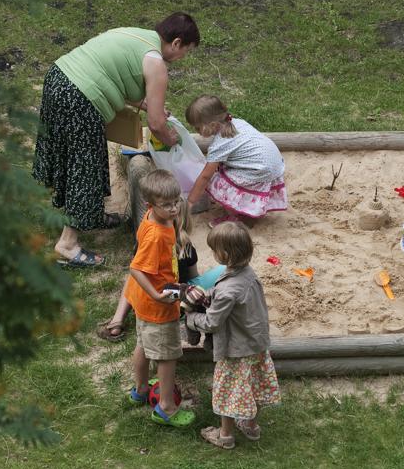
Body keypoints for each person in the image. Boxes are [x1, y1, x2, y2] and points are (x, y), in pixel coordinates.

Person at [33, 12, 200, 268]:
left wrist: (145, 104)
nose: (182, 58)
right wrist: (172, 139)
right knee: (84, 165)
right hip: (80, 98)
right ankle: (67, 245)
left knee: (76, 152)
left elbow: (114, 75)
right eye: (185, 51)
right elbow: (156, 125)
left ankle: (90, 214)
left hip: (58, 79)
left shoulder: (133, 34)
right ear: (176, 42)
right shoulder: (157, 64)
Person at [186, 222, 281, 449]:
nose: (212, 253)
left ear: (225, 254)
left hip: (235, 350)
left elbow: (212, 322)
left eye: (214, 250)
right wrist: (209, 296)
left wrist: (190, 319)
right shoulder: (247, 273)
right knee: (251, 384)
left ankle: (225, 435)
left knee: (228, 390)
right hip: (256, 342)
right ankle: (250, 426)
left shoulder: (229, 290)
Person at [95, 198, 226, 343]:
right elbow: (192, 276)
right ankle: (190, 307)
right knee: (223, 269)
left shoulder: (152, 238)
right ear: (186, 220)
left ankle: (117, 320)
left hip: (151, 296)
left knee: (135, 274)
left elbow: (139, 268)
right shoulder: (186, 246)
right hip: (177, 298)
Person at [125, 170, 198, 427]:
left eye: (176, 201)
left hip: (143, 303)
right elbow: (136, 267)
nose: (174, 208)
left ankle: (141, 389)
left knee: (143, 345)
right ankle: (166, 407)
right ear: (149, 205)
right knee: (167, 355)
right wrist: (157, 294)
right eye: (166, 205)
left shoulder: (156, 219)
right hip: (157, 304)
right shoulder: (156, 235)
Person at [184, 95, 288, 226]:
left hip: (260, 171)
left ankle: (237, 219)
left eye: (198, 128)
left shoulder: (220, 144)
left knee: (216, 178)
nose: (196, 131)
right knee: (221, 167)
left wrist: (190, 203)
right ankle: (249, 210)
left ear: (212, 125)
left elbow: (205, 176)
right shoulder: (238, 122)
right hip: (275, 166)